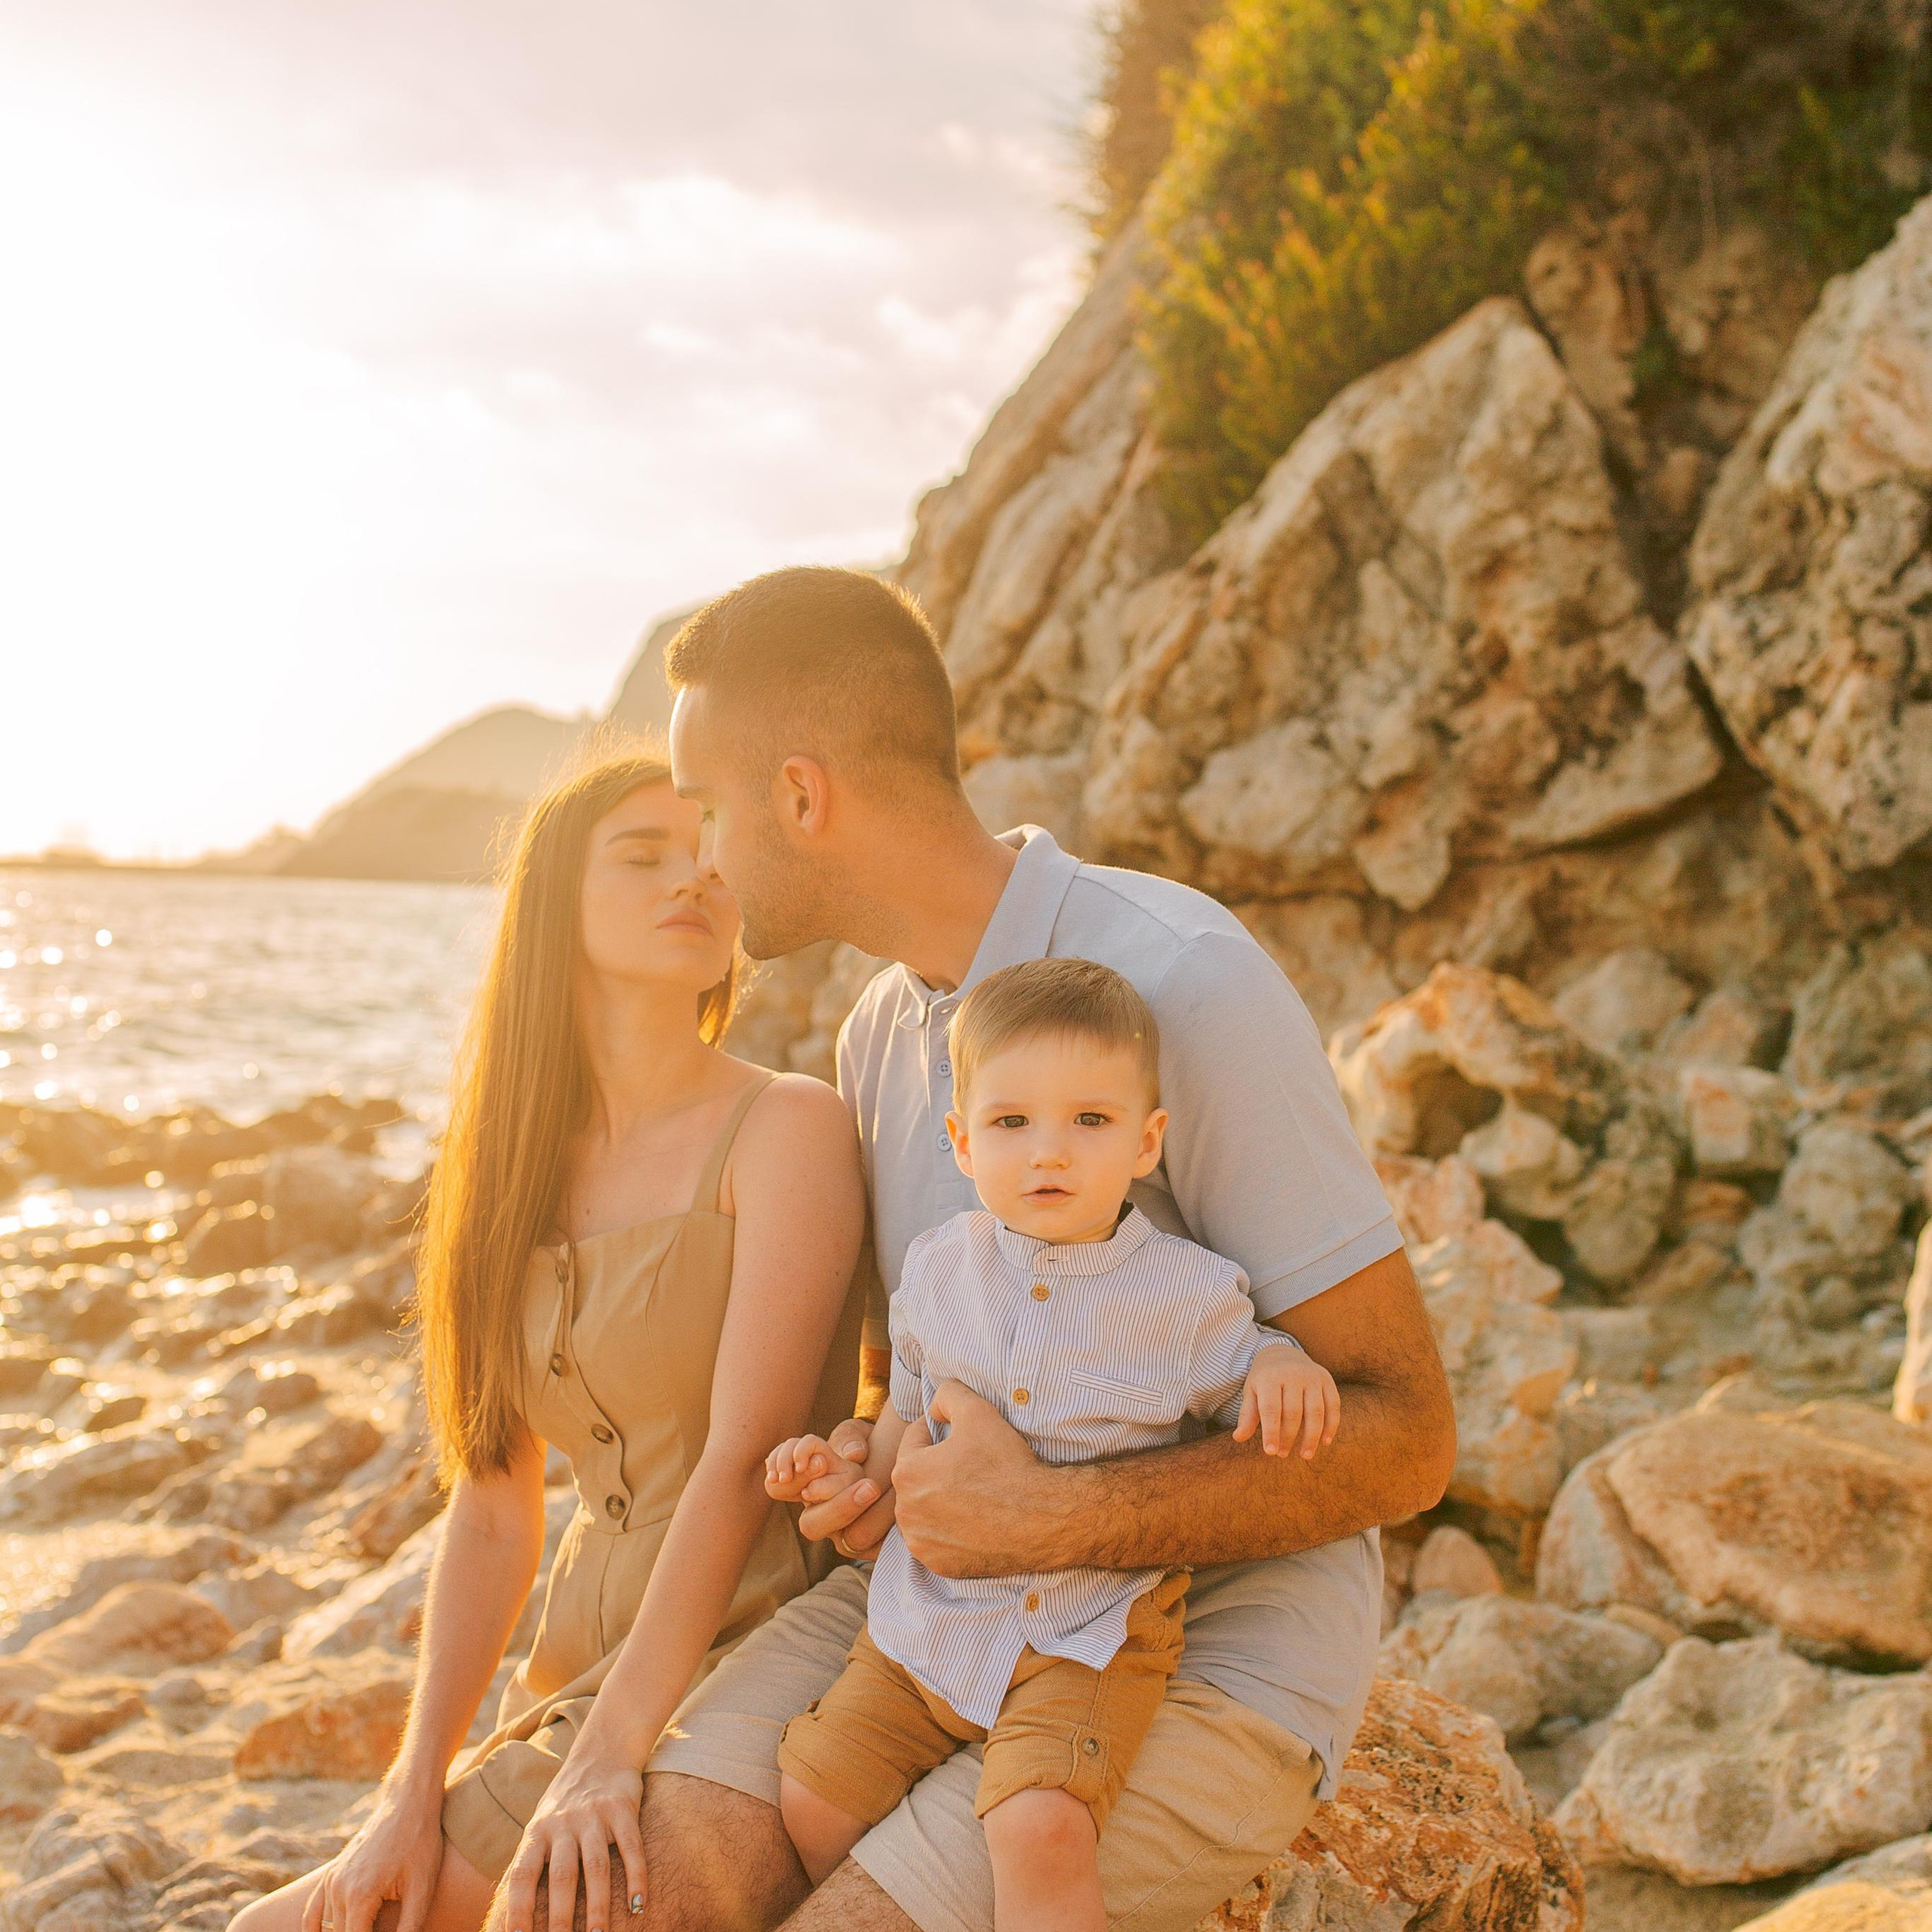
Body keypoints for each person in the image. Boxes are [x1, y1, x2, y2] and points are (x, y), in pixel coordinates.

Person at [493, 564, 1454, 1932]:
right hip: (923, 1613)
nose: (700, 861)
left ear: (802, 798)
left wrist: (1053, 1517)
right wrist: (868, 1469)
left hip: (1189, 1646)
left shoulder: (1186, 978)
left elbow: (1408, 1433)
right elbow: (927, 1388)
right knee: (593, 1905)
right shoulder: (883, 1039)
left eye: (708, 811)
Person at [231, 746, 868, 1932]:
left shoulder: (788, 1126)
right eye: (643, 854)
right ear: (551, 903)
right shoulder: (504, 1174)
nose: (696, 877)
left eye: (711, 851)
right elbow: (491, 1499)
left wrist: (606, 1753)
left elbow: (744, 1453)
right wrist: (411, 1790)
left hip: (748, 1639)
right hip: (575, 1668)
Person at [767, 958, 1343, 1932]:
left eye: (1090, 1121)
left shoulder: (1185, 1294)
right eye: (1010, 1123)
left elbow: (1251, 1359)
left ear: (1147, 1142)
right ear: (961, 1140)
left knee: (1040, 1829)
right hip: (930, 1619)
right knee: (813, 1799)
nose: (1049, 1154)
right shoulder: (940, 1269)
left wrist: (1284, 1366)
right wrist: (849, 1471)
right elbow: (907, 1422)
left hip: (1088, 1634)